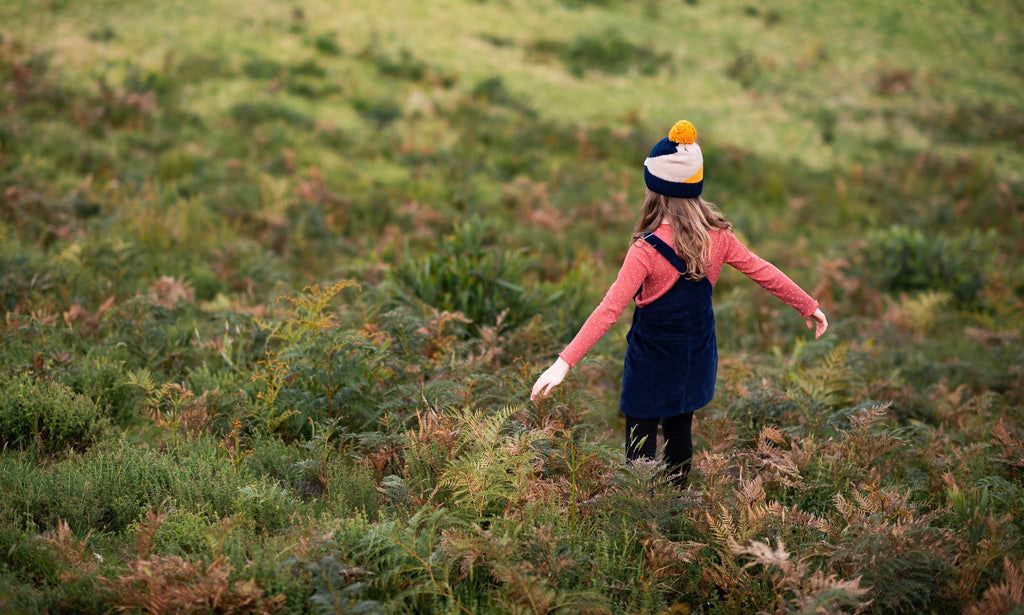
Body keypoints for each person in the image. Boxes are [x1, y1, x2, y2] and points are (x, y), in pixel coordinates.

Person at [530, 120, 828, 487]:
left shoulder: (645, 250)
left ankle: (642, 516)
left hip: (651, 361)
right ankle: (676, 509)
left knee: (640, 442)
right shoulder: (719, 238)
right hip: (696, 355)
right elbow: (762, 270)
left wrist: (563, 363)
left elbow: (609, 310)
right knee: (679, 430)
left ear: (654, 189)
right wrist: (806, 304)